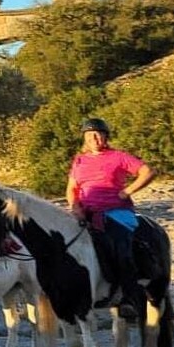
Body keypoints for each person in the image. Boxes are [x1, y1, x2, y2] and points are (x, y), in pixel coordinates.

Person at [67, 117, 156, 302]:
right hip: (86, 212)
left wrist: (128, 191)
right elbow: (71, 188)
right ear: (85, 138)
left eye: (98, 135)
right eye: (90, 135)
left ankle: (129, 294)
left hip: (115, 212)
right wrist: (75, 206)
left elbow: (147, 171)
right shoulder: (80, 160)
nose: (94, 139)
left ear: (105, 136)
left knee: (118, 245)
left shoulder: (119, 156)